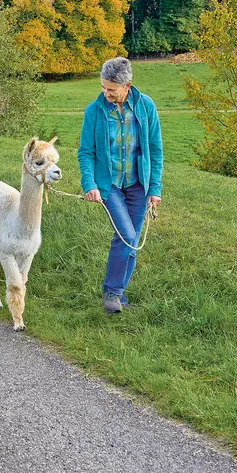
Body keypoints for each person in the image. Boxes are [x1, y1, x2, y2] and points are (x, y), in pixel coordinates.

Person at [77, 57, 163, 313]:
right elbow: (86, 152)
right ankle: (112, 292)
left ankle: (118, 295)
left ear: (127, 86)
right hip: (109, 185)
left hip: (139, 184)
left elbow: (155, 150)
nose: (105, 93)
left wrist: (155, 188)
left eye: (111, 89)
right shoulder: (95, 111)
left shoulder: (146, 106)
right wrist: (89, 183)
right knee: (125, 236)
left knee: (133, 241)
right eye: (103, 87)